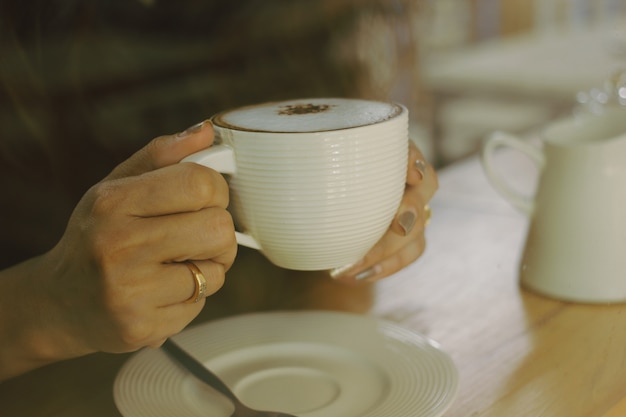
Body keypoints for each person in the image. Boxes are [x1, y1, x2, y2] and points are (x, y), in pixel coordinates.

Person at [0, 1, 437, 382]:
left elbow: (333, 289)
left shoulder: (295, 19)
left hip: (256, 371)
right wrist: (49, 307)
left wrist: (358, 231)